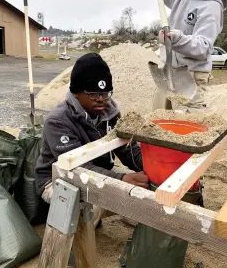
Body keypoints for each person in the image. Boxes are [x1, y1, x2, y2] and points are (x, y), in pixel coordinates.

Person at [35, 52, 148, 228]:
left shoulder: (110, 113)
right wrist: (121, 179)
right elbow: (77, 168)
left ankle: (114, 210)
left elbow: (128, 150)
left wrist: (150, 166)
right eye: (93, 93)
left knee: (143, 187)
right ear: (76, 92)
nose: (101, 99)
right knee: (82, 213)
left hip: (97, 168)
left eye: (105, 93)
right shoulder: (58, 120)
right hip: (58, 179)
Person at [148, 0, 227, 112]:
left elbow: (203, 47)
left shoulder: (212, 7)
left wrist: (177, 39)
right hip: (170, 71)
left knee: (189, 130)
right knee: (161, 123)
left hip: (191, 77)